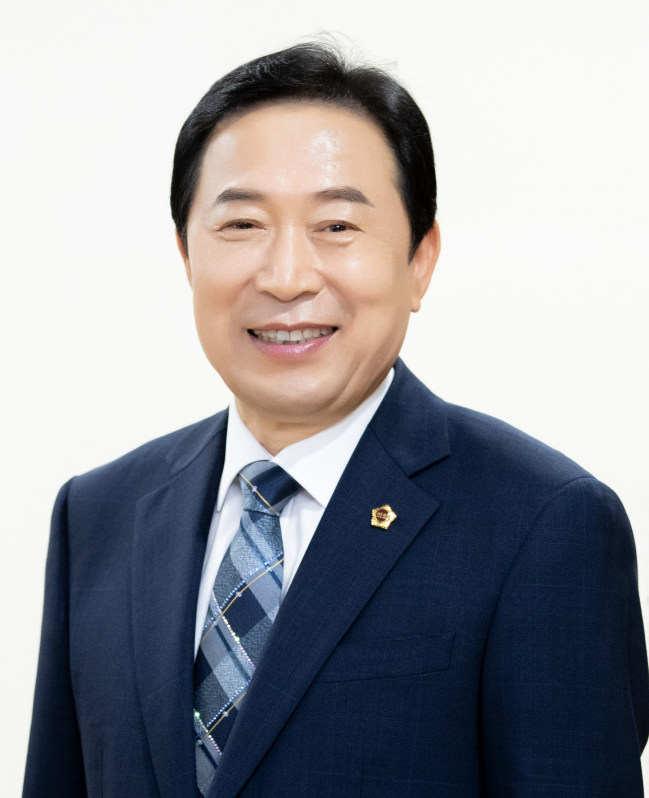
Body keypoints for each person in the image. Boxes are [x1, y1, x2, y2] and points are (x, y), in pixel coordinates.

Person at [23, 41, 648, 798]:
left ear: (419, 260)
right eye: (242, 224)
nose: (287, 277)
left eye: (337, 226)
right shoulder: (98, 515)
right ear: (186, 255)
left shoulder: (543, 524)